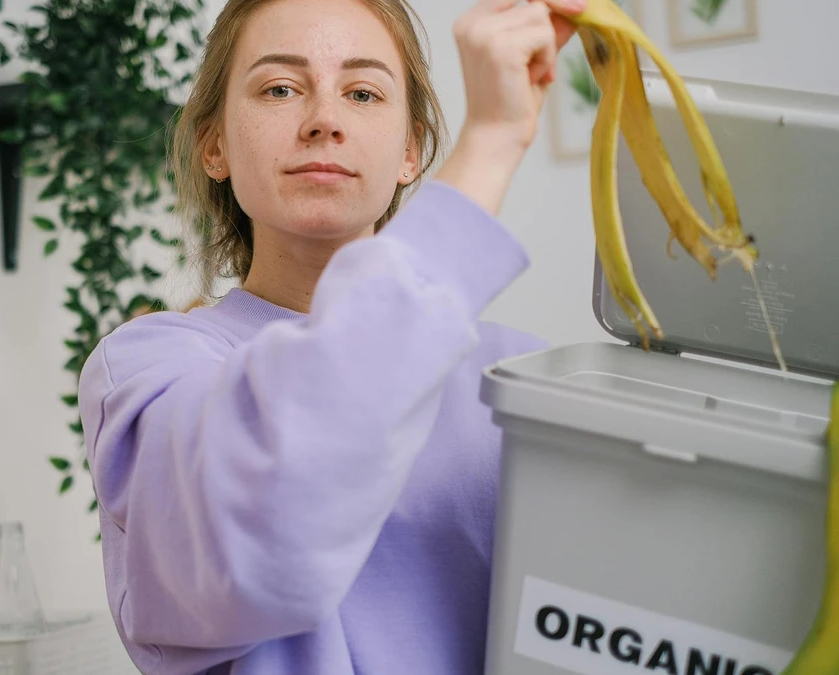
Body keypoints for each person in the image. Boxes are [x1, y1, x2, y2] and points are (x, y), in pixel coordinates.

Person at [78, 0, 583, 672]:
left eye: (363, 92)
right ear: (216, 144)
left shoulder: (522, 380)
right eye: (280, 88)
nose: (323, 120)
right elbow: (263, 530)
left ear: (410, 151)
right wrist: (492, 140)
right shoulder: (151, 370)